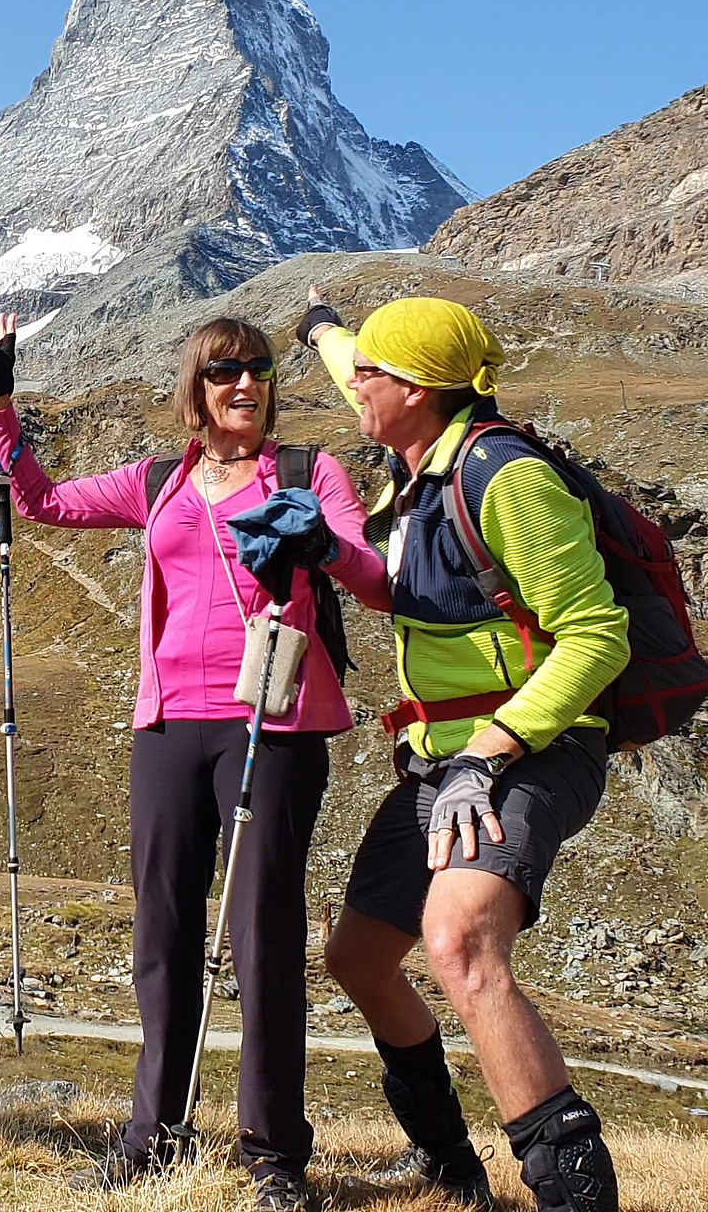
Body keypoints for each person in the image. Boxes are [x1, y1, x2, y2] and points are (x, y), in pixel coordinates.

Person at [0, 311, 390, 1211]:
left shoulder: (308, 472)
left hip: (271, 725)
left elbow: (374, 576)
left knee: (262, 936)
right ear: (196, 390)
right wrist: (1, 405)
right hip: (167, 726)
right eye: (224, 372)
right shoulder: (160, 481)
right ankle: (153, 1137)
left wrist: (318, 542)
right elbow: (41, 501)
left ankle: (276, 1158)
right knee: (161, 931)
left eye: (258, 370)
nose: (245, 385)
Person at [299, 292, 629, 1212]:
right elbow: (351, 359)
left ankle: (572, 1197)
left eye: (370, 374)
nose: (351, 386)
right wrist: (321, 326)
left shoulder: (505, 477)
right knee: (360, 959)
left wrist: (488, 752)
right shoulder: (413, 456)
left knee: (459, 943)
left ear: (416, 387)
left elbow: (597, 637)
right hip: (436, 765)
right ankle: (451, 1167)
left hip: (528, 749)